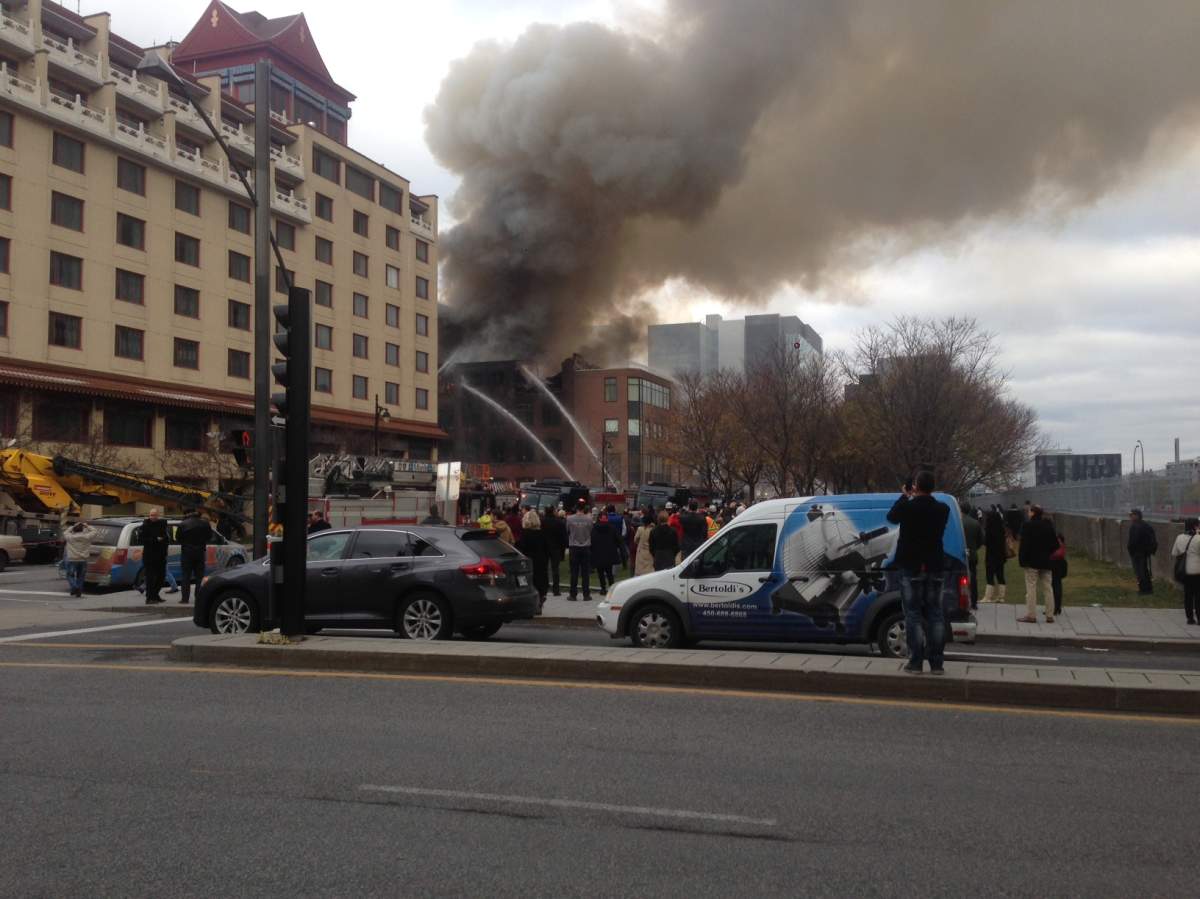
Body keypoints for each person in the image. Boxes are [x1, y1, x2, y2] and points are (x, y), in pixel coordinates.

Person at [886, 470, 950, 675]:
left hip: (911, 565)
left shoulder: (908, 507)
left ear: (915, 486)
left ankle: (915, 661)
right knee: (935, 614)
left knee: (912, 614)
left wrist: (905, 495)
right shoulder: (943, 509)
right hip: (935, 565)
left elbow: (892, 517)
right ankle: (937, 663)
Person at [1018, 504, 1059, 623]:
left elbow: (1024, 545)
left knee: (1031, 588)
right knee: (1048, 588)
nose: (1028, 513)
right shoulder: (1048, 526)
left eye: (1029, 511)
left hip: (1031, 562)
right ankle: (1050, 615)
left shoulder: (1027, 526)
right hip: (1046, 561)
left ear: (1032, 513)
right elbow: (1055, 545)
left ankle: (1031, 615)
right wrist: (1047, 553)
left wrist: (1022, 560)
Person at [177, 509, 212, 605]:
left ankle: (185, 598)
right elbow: (209, 536)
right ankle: (198, 597)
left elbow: (178, 538)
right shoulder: (205, 524)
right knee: (199, 576)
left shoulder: (183, 524)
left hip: (187, 553)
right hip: (200, 552)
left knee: (186, 576)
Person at [516, 509, 550, 611]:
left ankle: (531, 603)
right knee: (541, 580)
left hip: (528, 561)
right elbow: (547, 548)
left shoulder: (524, 534)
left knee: (530, 581)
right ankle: (540, 598)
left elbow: (520, 548)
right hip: (541, 560)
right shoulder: (543, 534)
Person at [1170, 517, 1200, 625]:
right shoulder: (1198, 538)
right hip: (1197, 571)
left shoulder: (1179, 537)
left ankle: (1190, 618)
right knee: (1198, 595)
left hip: (1184, 572)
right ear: (1196, 526)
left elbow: (1175, 553)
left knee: (1188, 595)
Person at [139, 508, 170, 605]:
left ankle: (155, 595)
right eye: (151, 515)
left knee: (161, 577)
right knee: (151, 578)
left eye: (155, 515)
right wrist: (155, 540)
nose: (153, 517)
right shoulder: (145, 526)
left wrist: (163, 540)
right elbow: (142, 539)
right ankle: (149, 598)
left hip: (161, 556)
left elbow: (166, 538)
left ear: (158, 515)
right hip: (149, 556)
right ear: (149, 515)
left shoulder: (162, 525)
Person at [566, 500, 593, 601]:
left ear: (576, 507)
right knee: (585, 572)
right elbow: (590, 530)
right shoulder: (589, 519)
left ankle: (573, 594)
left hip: (574, 547)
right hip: (585, 547)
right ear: (584, 508)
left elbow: (567, 530)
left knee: (574, 572)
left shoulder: (569, 519)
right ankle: (586, 594)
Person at [62, 520, 97, 598]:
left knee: (69, 575)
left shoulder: (69, 537)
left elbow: (65, 532)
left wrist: (73, 526)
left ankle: (74, 587)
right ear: (82, 529)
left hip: (72, 559)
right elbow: (95, 531)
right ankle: (79, 591)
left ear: (74, 530)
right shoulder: (87, 537)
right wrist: (87, 526)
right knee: (80, 576)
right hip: (83, 560)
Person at [1127, 509, 1157, 595]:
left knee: (1140, 572)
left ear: (1137, 515)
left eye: (1131, 515)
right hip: (1143, 552)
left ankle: (1144, 590)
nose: (1130, 517)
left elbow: (1134, 541)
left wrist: (1131, 550)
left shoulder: (1136, 526)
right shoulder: (1145, 525)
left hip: (1138, 553)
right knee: (1144, 571)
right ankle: (1148, 589)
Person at [982, 505, 1008, 603]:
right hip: (1000, 555)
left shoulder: (989, 530)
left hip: (991, 555)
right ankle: (1001, 597)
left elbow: (985, 542)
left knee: (989, 575)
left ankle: (988, 597)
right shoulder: (1001, 530)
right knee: (1000, 575)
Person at [591, 511, 621, 594]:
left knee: (600, 572)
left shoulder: (595, 528)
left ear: (599, 518)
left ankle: (603, 588)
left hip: (598, 553)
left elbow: (592, 540)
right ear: (606, 518)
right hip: (609, 553)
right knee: (609, 572)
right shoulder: (612, 528)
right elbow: (618, 540)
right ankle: (611, 589)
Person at [960, 501, 983, 609]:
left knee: (961, 578)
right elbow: (981, 539)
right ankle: (974, 602)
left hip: (960, 555)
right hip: (972, 554)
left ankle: (963, 600)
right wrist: (974, 548)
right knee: (973, 579)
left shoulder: (958, 522)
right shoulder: (975, 523)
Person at [544, 508, 567, 596]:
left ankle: (545, 587)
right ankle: (556, 589)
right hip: (556, 548)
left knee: (544, 569)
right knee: (555, 569)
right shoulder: (559, 523)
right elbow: (563, 537)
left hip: (545, 547)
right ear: (553, 512)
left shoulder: (542, 522)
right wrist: (563, 549)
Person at [1049, 530, 1068, 616]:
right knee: (1056, 586)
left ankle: (1055, 607)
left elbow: (1057, 554)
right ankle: (1056, 607)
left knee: (1055, 587)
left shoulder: (1059, 546)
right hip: (1058, 565)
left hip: (1056, 565)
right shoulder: (1061, 545)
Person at [634, 510, 656, 577]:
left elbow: (635, 540)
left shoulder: (640, 529)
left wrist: (639, 544)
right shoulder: (654, 529)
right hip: (651, 551)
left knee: (640, 569)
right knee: (650, 569)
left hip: (641, 551)